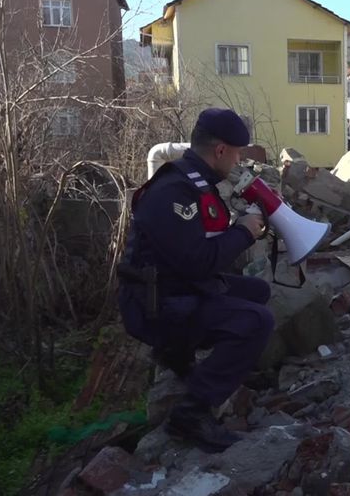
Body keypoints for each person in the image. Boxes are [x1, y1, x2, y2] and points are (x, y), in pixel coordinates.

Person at [117, 108, 274, 452]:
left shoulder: (194, 182)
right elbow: (197, 263)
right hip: (156, 306)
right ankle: (192, 412)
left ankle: (184, 358)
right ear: (220, 151)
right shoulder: (174, 191)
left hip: (175, 289)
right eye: (236, 153)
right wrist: (244, 233)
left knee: (257, 291)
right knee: (257, 322)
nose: (236, 161)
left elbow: (201, 247)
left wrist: (239, 228)